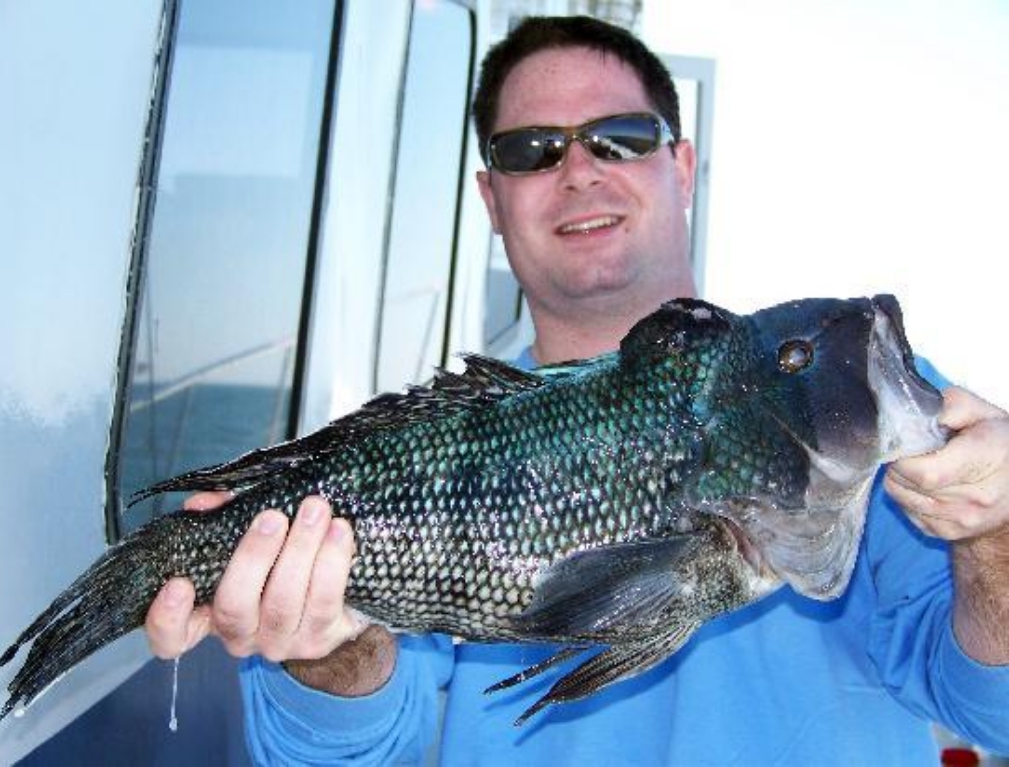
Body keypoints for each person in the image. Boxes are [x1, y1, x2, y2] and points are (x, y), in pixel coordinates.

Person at [145, 16, 1009, 765]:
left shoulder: (854, 401)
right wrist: (326, 650)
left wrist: (996, 534)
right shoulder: (424, 457)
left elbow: (990, 707)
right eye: (532, 150)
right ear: (492, 197)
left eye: (620, 137)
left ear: (682, 164)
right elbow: (349, 754)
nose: (579, 169)